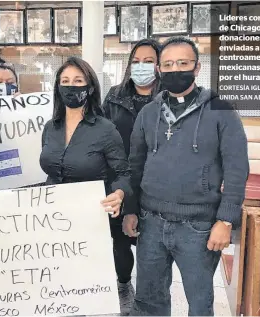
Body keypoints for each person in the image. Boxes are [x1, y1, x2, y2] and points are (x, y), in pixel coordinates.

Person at [124, 36, 249, 316]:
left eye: (183, 63)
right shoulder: (148, 113)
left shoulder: (222, 111)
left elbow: (237, 170)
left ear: (197, 67)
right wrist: (131, 210)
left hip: (199, 227)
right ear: (159, 70)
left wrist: (225, 220)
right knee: (148, 301)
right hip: (151, 223)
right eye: (167, 64)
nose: (174, 69)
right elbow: (136, 165)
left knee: (199, 303)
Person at [39, 57, 133, 294]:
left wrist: (120, 193)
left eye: (78, 80)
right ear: (58, 88)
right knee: (59, 283)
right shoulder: (51, 127)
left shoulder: (104, 129)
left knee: (85, 288)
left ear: (90, 87)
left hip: (91, 221)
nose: (71, 86)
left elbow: (123, 172)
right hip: (54, 219)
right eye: (65, 81)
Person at [102, 38, 161, 315]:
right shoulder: (114, 96)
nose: (142, 67)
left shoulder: (168, 98)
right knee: (120, 241)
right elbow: (100, 132)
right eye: (136, 61)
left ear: (159, 65)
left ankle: (151, 295)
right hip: (119, 181)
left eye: (149, 61)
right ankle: (124, 285)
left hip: (157, 183)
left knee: (152, 243)